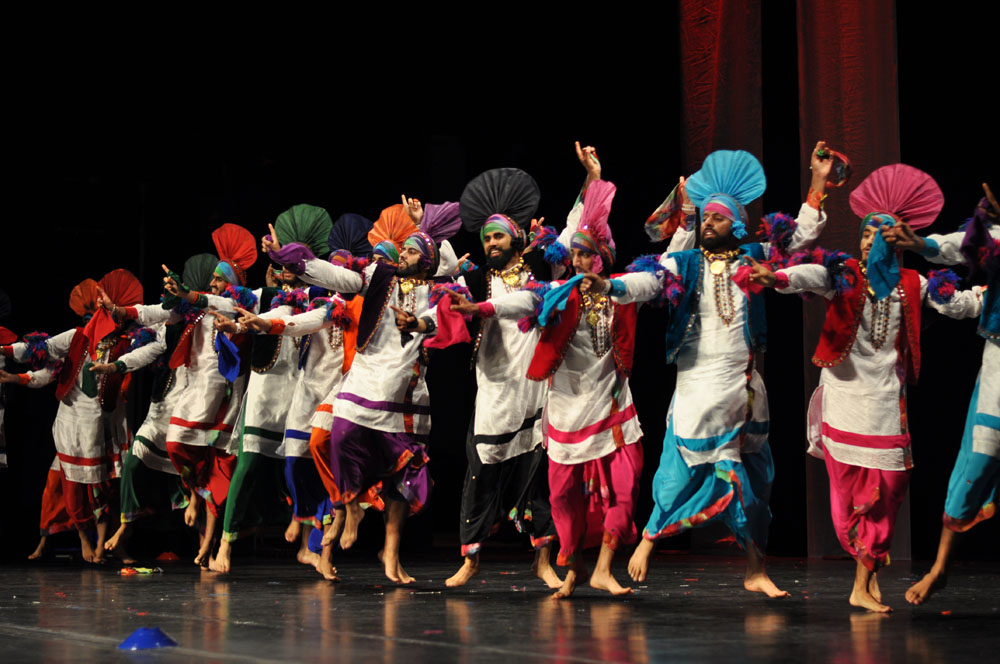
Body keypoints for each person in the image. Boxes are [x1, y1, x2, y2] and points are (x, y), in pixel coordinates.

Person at [749, 164, 985, 612]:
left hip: (885, 404)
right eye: (862, 235)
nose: (866, 242)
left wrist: (988, 296)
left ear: (895, 241)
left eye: (877, 234)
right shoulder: (842, 275)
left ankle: (865, 574)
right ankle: (864, 575)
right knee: (849, 498)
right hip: (843, 399)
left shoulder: (914, 284)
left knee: (890, 490)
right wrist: (776, 278)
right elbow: (806, 276)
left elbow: (960, 303)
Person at [451, 163, 674, 598]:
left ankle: (572, 565)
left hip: (583, 404)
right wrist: (479, 309)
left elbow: (650, 274)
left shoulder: (613, 288)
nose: (581, 261)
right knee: (509, 484)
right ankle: (495, 561)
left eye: (590, 254)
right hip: (529, 400)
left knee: (584, 492)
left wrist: (591, 180)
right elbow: (522, 301)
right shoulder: (549, 291)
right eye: (576, 255)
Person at [627, 144, 833, 597]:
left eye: (717, 218)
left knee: (757, 485)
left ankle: (755, 569)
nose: (708, 223)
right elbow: (649, 279)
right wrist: (612, 286)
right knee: (676, 476)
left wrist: (817, 185)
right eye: (705, 217)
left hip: (742, 387)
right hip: (697, 385)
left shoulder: (753, 258)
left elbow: (798, 239)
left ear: (735, 223)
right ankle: (648, 540)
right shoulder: (684, 261)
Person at [262, 223, 445, 584]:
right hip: (362, 380)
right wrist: (292, 258)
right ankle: (348, 507)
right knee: (339, 438)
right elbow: (336, 276)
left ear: (426, 261)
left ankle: (390, 552)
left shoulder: (438, 291)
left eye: (409, 251)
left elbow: (442, 321)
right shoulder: (379, 278)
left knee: (401, 474)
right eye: (401, 250)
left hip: (405, 390)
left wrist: (420, 323)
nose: (401, 255)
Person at [441, 164, 561, 588]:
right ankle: (471, 560)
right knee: (480, 476)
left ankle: (543, 560)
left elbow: (578, 232)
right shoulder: (474, 278)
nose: (491, 243)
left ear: (517, 239)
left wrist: (591, 182)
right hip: (492, 392)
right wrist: (427, 229)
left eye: (498, 236)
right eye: (487, 237)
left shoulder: (541, 275)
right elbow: (438, 271)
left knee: (538, 477)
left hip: (534, 390)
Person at [889, 185, 1000, 605]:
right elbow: (962, 244)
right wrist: (920, 243)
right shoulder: (991, 236)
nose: (983, 211)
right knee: (976, 463)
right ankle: (940, 568)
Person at [1, 270, 157, 563]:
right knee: (67, 489)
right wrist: (11, 363)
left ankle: (107, 545)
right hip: (72, 424)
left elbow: (154, 347)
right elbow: (44, 357)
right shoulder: (77, 338)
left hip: (106, 425)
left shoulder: (127, 343)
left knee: (105, 488)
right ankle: (84, 541)